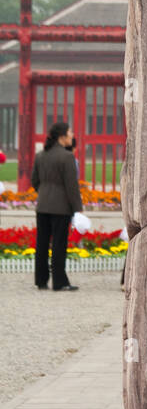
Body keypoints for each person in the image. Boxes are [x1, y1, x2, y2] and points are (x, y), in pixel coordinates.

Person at [30, 121, 83, 291]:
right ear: (62, 136)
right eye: (69, 132)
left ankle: (41, 279)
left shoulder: (40, 155)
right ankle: (59, 281)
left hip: (43, 205)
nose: (72, 135)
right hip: (61, 208)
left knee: (42, 244)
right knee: (59, 245)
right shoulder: (67, 157)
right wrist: (77, 209)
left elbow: (35, 181)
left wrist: (45, 192)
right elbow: (71, 186)